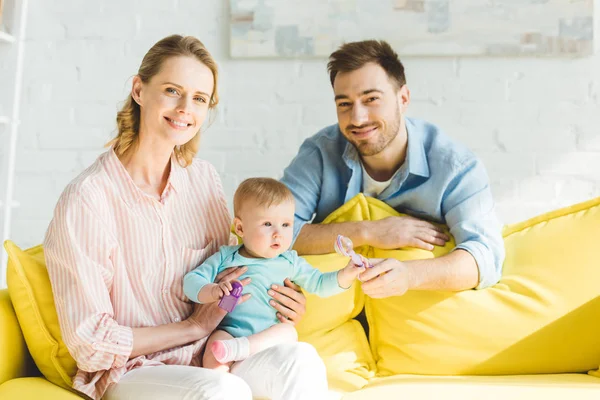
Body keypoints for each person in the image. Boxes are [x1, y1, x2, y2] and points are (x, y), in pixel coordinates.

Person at [44, 34, 326, 400]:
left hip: (214, 353)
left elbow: (233, 268)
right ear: (139, 90)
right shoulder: (87, 200)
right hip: (134, 370)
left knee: (299, 359)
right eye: (173, 91)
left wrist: (280, 300)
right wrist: (192, 326)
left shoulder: (203, 180)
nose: (184, 109)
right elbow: (90, 342)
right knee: (220, 391)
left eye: (199, 98)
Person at [281, 40, 505, 299]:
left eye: (371, 99)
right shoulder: (319, 154)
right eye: (344, 104)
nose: (358, 118)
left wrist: (408, 275)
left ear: (403, 98)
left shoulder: (455, 167)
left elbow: (485, 257)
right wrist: (370, 231)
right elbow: (273, 233)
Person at [183, 177, 364, 370]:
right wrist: (213, 291)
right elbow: (191, 282)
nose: (278, 233)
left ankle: (243, 348)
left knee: (288, 332)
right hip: (230, 332)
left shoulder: (289, 261)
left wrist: (347, 274)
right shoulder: (226, 257)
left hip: (269, 339)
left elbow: (320, 283)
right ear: (240, 228)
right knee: (214, 349)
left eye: (286, 225)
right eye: (268, 224)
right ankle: (223, 382)